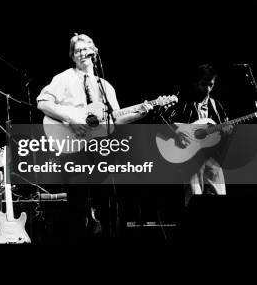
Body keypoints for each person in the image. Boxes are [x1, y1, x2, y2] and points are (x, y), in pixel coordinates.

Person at [36, 33, 152, 237]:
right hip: (72, 145)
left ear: (94, 52)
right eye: (77, 50)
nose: (81, 53)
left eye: (85, 49)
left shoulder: (105, 86)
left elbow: (115, 120)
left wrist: (139, 113)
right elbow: (42, 102)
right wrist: (71, 119)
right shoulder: (63, 78)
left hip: (100, 149)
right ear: (72, 56)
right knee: (78, 202)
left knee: (107, 200)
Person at [162, 64, 231, 204]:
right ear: (195, 83)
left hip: (213, 158)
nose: (207, 89)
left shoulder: (216, 106)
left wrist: (226, 132)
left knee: (220, 195)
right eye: (203, 84)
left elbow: (224, 130)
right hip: (191, 159)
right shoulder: (182, 102)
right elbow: (163, 122)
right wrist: (177, 133)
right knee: (194, 197)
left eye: (211, 85)